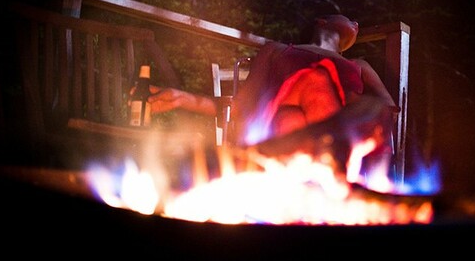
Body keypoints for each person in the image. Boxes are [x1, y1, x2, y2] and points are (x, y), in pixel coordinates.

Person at [141, 14, 399, 170]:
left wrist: (355, 108)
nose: (356, 22)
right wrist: (183, 99)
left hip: (333, 148)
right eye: (347, 17)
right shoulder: (277, 50)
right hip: (278, 142)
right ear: (322, 22)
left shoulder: (358, 66)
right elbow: (240, 106)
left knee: (322, 85)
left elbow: (388, 109)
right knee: (304, 96)